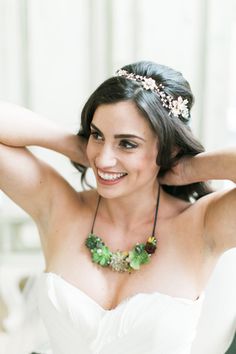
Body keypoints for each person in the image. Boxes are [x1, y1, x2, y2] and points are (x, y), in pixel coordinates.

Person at [0, 60, 235, 354]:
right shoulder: (59, 206)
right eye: (98, 135)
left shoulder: (202, 226)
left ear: (168, 149)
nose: (103, 160)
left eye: (127, 144)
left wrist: (187, 168)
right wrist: (76, 146)